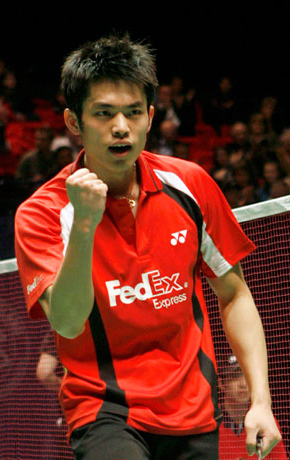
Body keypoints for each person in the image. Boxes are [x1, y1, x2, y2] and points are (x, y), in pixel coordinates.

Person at [14, 34, 281, 460]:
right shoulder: (43, 213)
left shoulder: (189, 184)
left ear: (151, 116)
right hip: (105, 410)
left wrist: (261, 403)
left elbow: (234, 294)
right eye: (104, 113)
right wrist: (85, 224)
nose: (121, 126)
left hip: (193, 408)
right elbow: (66, 322)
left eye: (133, 112)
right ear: (73, 122)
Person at [218, 355, 287, 459]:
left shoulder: (266, 423)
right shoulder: (209, 421)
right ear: (221, 383)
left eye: (247, 376)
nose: (243, 384)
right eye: (235, 377)